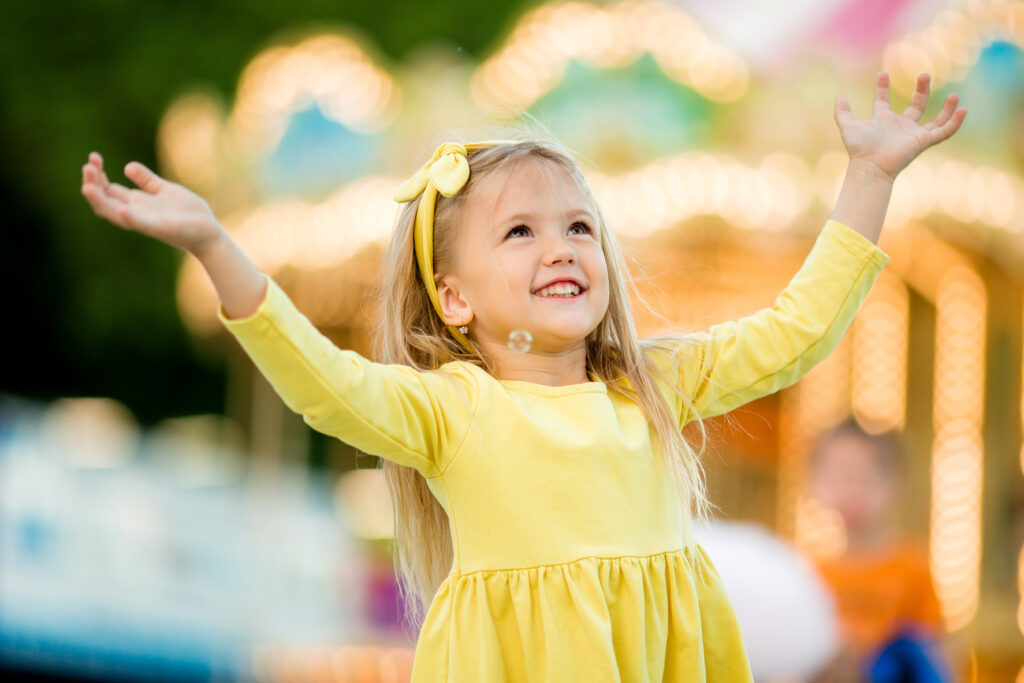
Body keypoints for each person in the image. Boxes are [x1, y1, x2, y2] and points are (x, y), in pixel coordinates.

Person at [81, 72, 965, 681]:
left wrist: (868, 178)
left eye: (579, 227)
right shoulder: (455, 411)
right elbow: (325, 382)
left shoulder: (651, 387)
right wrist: (214, 246)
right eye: (522, 232)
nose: (562, 248)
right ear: (455, 299)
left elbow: (796, 331)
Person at [809, 420, 951, 683]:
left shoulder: (912, 570)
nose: (849, 490)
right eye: (838, 476)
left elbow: (938, 658)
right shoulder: (809, 573)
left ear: (892, 483)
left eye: (861, 478)